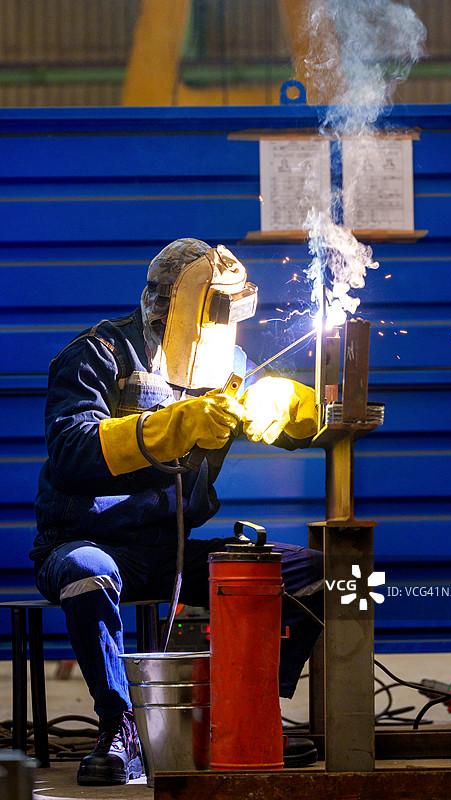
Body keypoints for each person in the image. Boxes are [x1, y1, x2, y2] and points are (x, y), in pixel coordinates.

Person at [31, 239, 324, 785]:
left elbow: (303, 423)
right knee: (88, 573)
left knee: (316, 574)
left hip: (172, 551)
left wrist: (290, 405)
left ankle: (248, 714)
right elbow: (70, 450)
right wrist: (174, 426)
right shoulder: (98, 354)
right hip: (88, 541)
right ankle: (119, 727)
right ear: (167, 305)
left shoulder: (225, 362)